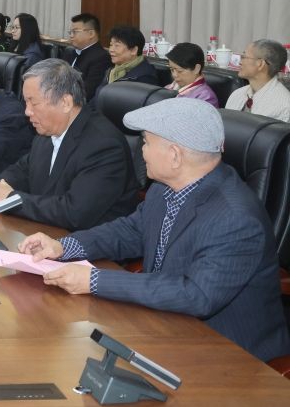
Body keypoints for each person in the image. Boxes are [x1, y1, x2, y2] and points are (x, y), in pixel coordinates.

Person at [19, 97, 290, 362]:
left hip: (228, 355)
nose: (141, 151)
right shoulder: (164, 189)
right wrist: (63, 246)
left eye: (146, 142)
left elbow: (197, 295)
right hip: (163, 323)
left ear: (175, 155)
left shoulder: (236, 218)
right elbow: (131, 231)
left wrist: (94, 280)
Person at [0, 59, 138, 230]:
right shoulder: (47, 132)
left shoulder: (104, 146)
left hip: (84, 242)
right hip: (46, 231)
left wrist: (9, 199)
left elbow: (74, 213)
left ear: (65, 103)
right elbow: (23, 169)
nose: (27, 111)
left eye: (34, 103)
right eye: (26, 102)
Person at [225, 39, 290, 122]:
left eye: (244, 57)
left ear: (260, 64)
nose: (240, 62)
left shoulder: (284, 106)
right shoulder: (237, 94)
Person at [94, 25, 159, 98]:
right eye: (111, 45)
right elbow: (96, 99)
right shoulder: (112, 71)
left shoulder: (145, 77)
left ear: (133, 50)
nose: (111, 50)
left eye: (117, 45)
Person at [63, 13, 111, 100]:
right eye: (70, 32)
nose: (71, 35)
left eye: (75, 32)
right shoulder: (69, 52)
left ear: (91, 34)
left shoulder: (101, 58)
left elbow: (88, 92)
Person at [164, 42, 219, 107]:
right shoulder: (169, 88)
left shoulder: (206, 98)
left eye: (179, 71)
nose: (174, 75)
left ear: (196, 69)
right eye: (172, 70)